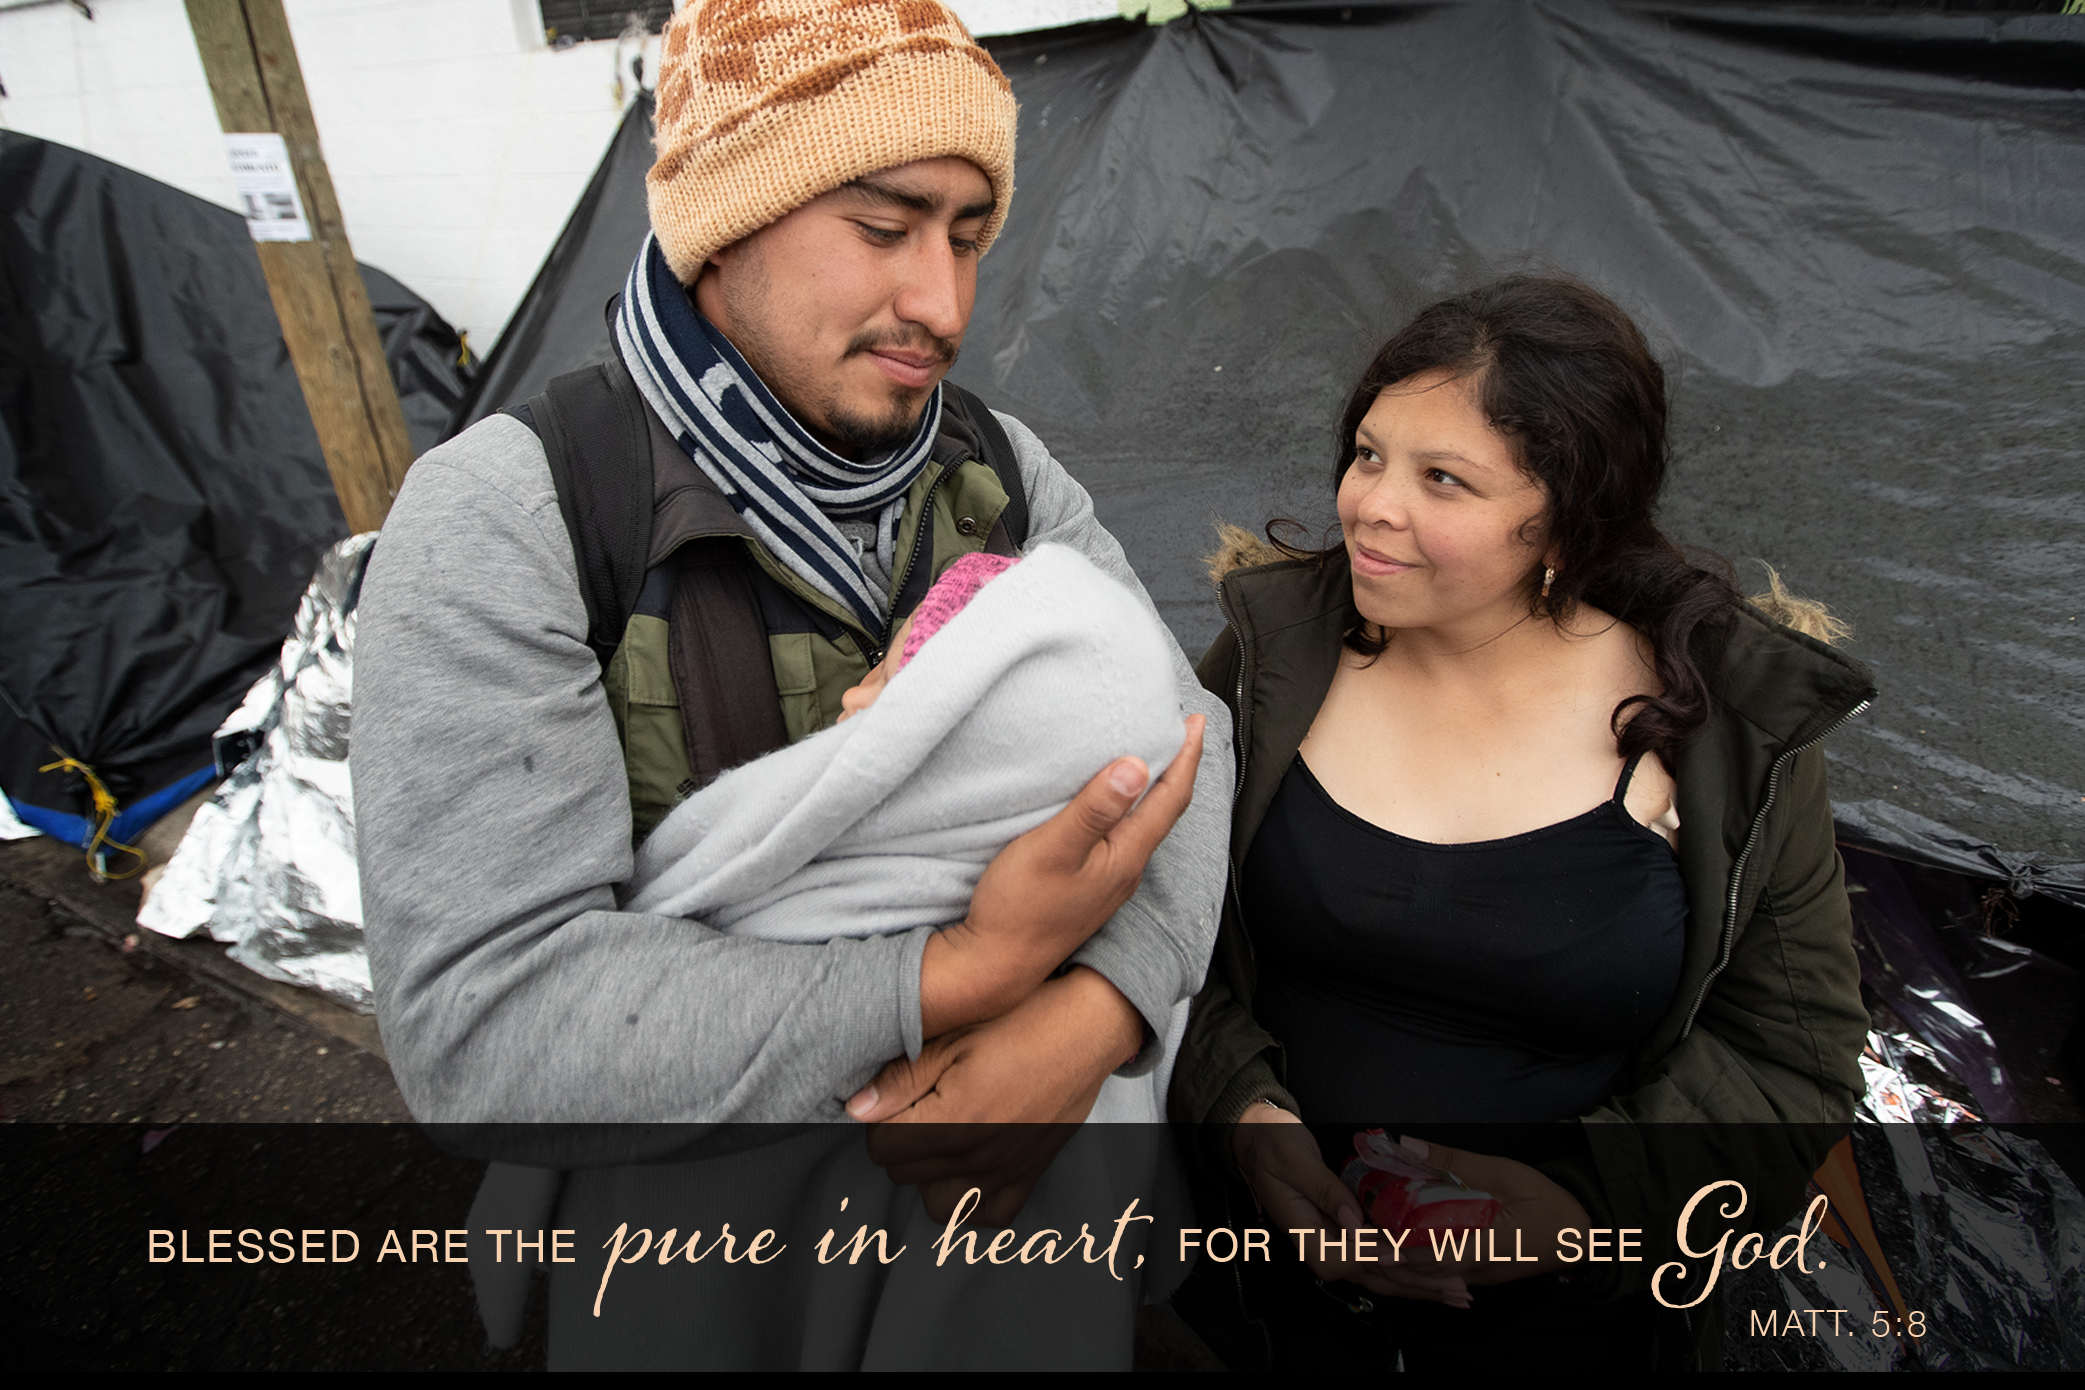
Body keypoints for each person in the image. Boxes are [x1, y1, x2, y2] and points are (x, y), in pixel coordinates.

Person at [350, 0, 1230, 1138]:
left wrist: (1101, 1014)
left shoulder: (1004, 475)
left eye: (965, 237)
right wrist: (957, 976)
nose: (943, 305)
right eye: (882, 227)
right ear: (729, 220)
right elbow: (485, 1027)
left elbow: (1192, 736)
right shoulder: (520, 516)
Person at [1165, 275, 1876, 1370]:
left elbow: (1795, 1052)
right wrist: (1244, 1116)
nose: (1371, 505)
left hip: (1565, 1320)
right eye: (1367, 453)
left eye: (1442, 479)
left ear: (1566, 521)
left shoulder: (1721, 724)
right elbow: (1163, 927)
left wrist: (1585, 1207)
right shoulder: (1274, 660)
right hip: (1252, 1286)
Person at [621, 544, 1196, 1123]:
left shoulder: (1009, 468)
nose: (852, 695)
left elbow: (1192, 707)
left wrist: (1102, 1010)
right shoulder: (559, 505)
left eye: (890, 692)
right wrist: (982, 967)